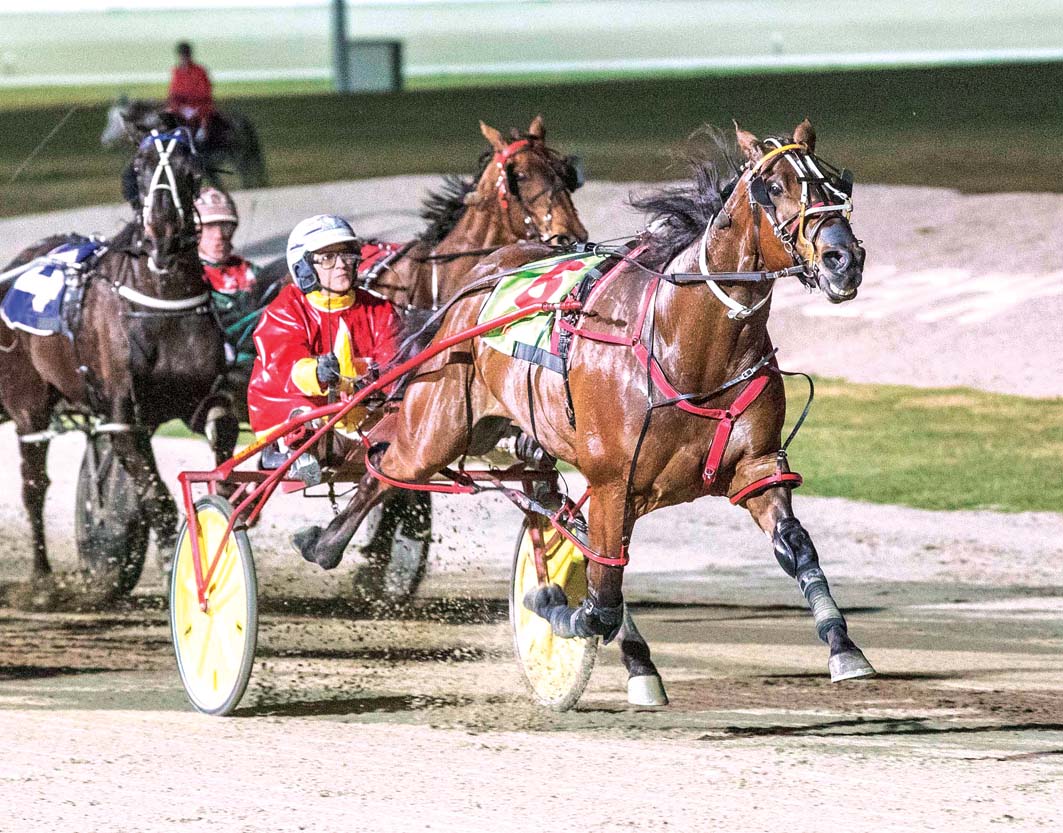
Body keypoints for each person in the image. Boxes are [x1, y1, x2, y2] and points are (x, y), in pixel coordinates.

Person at [246, 214, 400, 484]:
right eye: (327, 258)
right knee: (303, 414)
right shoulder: (286, 309)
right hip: (292, 403)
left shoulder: (380, 309)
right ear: (304, 267)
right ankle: (285, 448)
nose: (341, 266)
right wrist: (316, 371)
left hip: (356, 408)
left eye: (348, 256)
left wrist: (380, 381)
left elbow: (392, 361)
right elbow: (286, 364)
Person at [195, 187, 262, 367]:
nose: (218, 235)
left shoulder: (250, 271)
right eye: (209, 227)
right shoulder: (191, 277)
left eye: (225, 226)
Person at [167, 42, 214, 142]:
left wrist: (186, 98)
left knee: (199, 118)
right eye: (181, 55)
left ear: (189, 55)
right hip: (179, 106)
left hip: (198, 106)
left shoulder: (199, 71)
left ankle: (200, 138)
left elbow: (205, 91)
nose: (183, 58)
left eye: (185, 55)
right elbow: (173, 89)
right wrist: (174, 98)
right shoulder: (176, 71)